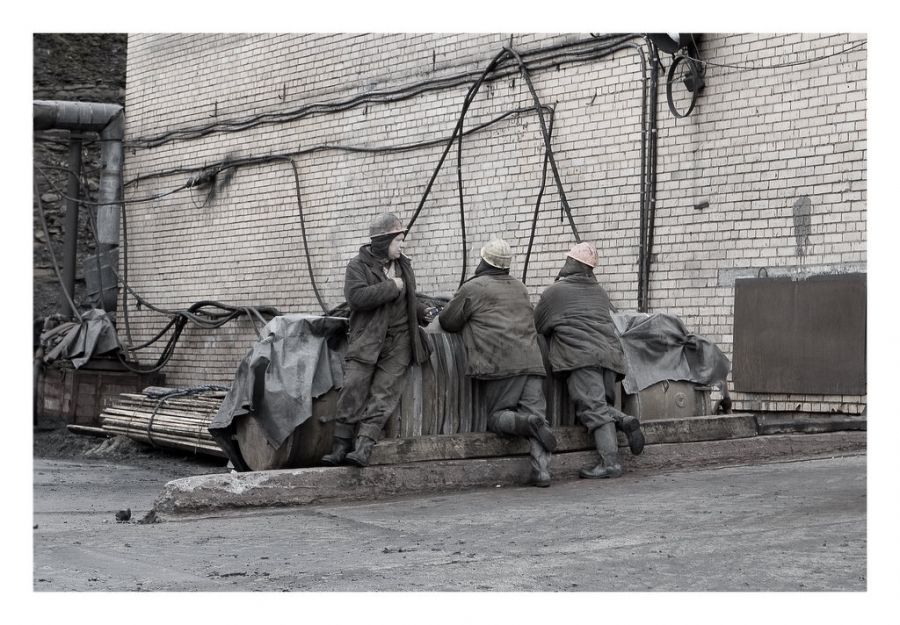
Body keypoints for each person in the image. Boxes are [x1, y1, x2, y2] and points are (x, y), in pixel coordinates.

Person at [439, 238, 556, 487]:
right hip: (534, 361)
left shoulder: (473, 287)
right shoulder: (520, 287)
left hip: (500, 362)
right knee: (537, 414)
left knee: (498, 416)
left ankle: (526, 423)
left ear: (483, 261)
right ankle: (542, 471)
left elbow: (449, 322)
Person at [321, 213, 434, 468]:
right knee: (352, 388)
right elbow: (356, 298)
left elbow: (408, 299)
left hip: (400, 341)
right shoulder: (358, 266)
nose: (402, 245)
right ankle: (340, 448)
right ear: (384, 241)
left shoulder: (404, 266)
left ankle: (363, 448)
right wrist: (390, 287)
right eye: (399, 240)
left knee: (384, 395)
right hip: (368, 339)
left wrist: (421, 312)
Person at [533, 242, 645, 479]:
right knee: (597, 407)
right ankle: (624, 421)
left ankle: (610, 464)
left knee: (593, 410)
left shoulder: (554, 292)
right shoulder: (600, 292)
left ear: (570, 263)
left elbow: (538, 325)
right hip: (611, 358)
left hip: (582, 358)